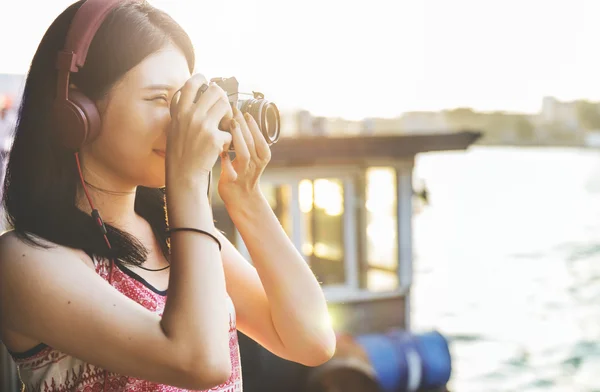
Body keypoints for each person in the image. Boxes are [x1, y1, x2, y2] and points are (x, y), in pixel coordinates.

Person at [0, 1, 336, 391]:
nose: (182, 122)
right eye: (160, 100)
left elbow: (312, 340)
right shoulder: (24, 262)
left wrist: (246, 199)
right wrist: (190, 184)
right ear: (78, 111)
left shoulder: (179, 240)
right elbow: (199, 362)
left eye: (184, 100)